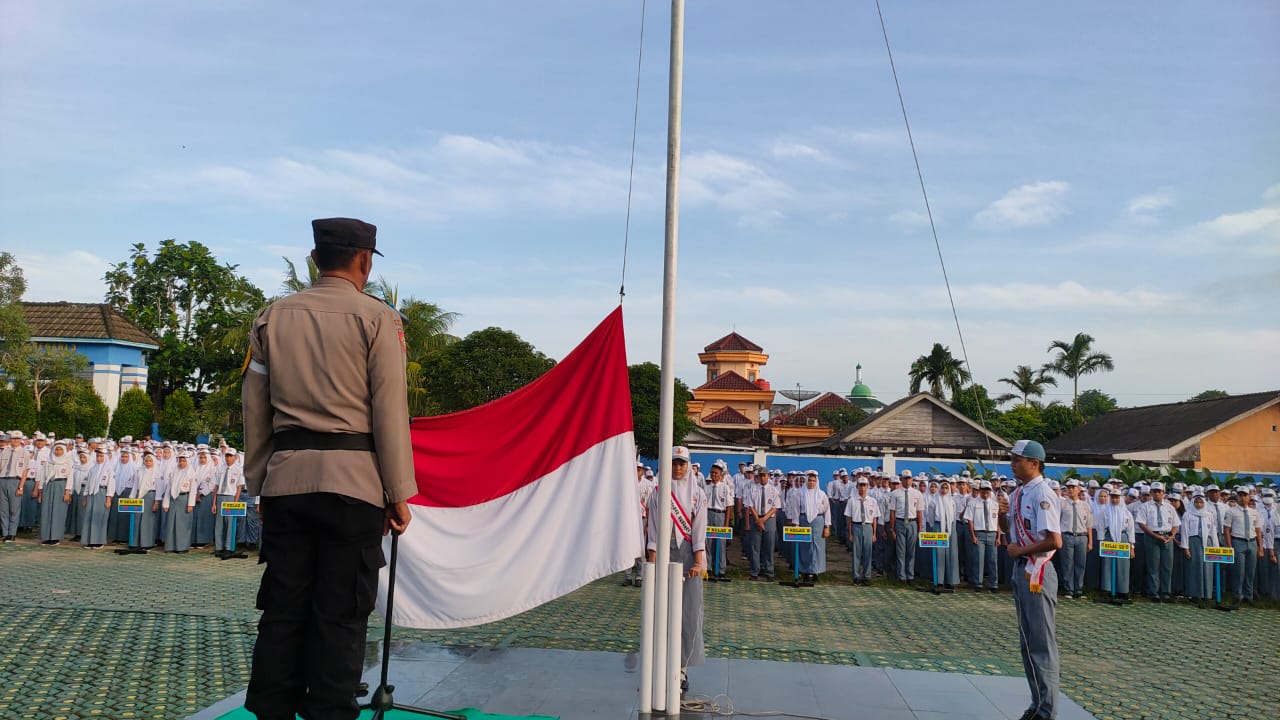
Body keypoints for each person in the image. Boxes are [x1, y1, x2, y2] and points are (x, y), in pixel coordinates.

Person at [243, 217, 417, 720]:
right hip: (354, 488)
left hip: (287, 484)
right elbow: (389, 410)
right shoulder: (379, 319)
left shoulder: (271, 318)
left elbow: (255, 406)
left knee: (283, 609)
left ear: (315, 259)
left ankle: (272, 711)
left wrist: (260, 480)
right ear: (365, 260)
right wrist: (398, 493)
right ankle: (329, 713)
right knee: (341, 614)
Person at [999, 439, 1062, 720]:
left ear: (1034, 463)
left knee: (1041, 642)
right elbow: (1010, 530)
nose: (1012, 465)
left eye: (1017, 460)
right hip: (1021, 569)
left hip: (1037, 570)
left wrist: (1021, 550)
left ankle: (1047, 710)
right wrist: (1002, 515)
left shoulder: (1042, 494)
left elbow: (1053, 540)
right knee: (1027, 641)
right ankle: (1036, 703)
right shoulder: (1018, 493)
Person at [645, 446, 707, 695]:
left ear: (689, 465)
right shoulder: (658, 492)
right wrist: (652, 555)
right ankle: (660, 665)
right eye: (673, 463)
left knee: (688, 613)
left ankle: (681, 669)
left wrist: (699, 560)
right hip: (663, 551)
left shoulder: (698, 494)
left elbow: (700, 529)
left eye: (682, 463)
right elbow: (652, 526)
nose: (678, 468)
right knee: (660, 611)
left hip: (688, 553)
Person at [1136, 481, 1180, 602]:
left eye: (1159, 492)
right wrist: (1155, 535)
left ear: (1163, 493)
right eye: (1154, 492)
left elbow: (1176, 524)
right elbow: (1141, 524)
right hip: (1152, 537)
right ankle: (1153, 592)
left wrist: (1172, 535)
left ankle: (1165, 592)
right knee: (1153, 566)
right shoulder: (1145, 506)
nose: (1156, 494)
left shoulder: (1169, 507)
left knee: (1167, 566)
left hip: (1167, 537)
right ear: (1151, 493)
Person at [785, 470, 830, 583]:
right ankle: (805, 572)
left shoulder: (822, 494)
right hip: (804, 520)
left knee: (817, 547)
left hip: (818, 521)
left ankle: (815, 572)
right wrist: (796, 524)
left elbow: (827, 511)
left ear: (817, 482)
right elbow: (796, 510)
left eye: (813, 481)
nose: (811, 483)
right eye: (809, 480)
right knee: (804, 547)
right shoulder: (799, 493)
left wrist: (827, 526)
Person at [1221, 487, 1263, 608]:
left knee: (1250, 571)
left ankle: (1248, 596)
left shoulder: (1254, 512)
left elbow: (1258, 530)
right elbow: (1227, 530)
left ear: (1249, 497)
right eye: (1240, 495)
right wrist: (1229, 547)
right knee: (1238, 571)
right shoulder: (1231, 511)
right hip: (1238, 541)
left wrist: (1260, 547)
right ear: (1237, 496)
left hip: (1252, 542)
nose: (1242, 497)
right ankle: (1237, 596)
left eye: (1245, 495)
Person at [1180, 490, 1218, 607]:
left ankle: (1207, 594)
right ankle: (1195, 594)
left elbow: (1213, 532)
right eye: (1196, 502)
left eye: (1201, 502)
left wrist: (1216, 548)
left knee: (1207, 567)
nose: (1199, 504)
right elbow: (1185, 532)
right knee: (1194, 567)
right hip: (1193, 542)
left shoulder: (1209, 515)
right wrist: (1185, 547)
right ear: (1192, 503)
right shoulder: (1188, 514)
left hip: (1207, 542)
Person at [1097, 487, 1134, 602]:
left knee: (1123, 565)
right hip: (1108, 538)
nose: (1114, 500)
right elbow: (1101, 527)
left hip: (1122, 538)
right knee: (1107, 564)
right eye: (1112, 497)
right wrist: (1101, 542)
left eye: (1117, 497)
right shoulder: (1104, 511)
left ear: (1120, 498)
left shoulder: (1126, 513)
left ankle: (1122, 591)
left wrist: (1132, 546)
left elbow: (1131, 530)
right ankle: (1107, 590)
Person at [964, 480, 1001, 593]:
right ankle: (978, 583)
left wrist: (998, 537)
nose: (985, 494)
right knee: (978, 560)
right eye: (983, 491)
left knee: (992, 560)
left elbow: (998, 521)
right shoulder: (973, 502)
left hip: (992, 533)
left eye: (987, 491)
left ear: (990, 492)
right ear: (980, 491)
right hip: (979, 533)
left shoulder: (995, 504)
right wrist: (973, 535)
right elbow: (970, 520)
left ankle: (993, 584)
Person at [1058, 479, 1093, 599]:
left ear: (1079, 489)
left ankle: (1078, 589)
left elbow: (1089, 525)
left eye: (1073, 487)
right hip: (1066, 535)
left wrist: (1090, 541)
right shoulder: (1062, 504)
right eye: (1069, 487)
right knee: (1067, 563)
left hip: (1081, 536)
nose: (1071, 489)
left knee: (1080, 564)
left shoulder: (1085, 505)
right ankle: (1069, 589)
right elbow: (1057, 522)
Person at [744, 465, 779, 580]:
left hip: (769, 519)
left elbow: (775, 507)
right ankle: (754, 571)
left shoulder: (773, 490)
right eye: (760, 476)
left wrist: (763, 519)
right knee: (755, 546)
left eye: (764, 475)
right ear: (757, 477)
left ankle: (769, 572)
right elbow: (750, 505)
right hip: (756, 518)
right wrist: (757, 520)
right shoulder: (753, 489)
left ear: (768, 476)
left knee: (768, 546)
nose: (762, 478)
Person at [889, 470, 924, 583]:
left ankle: (910, 575)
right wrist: (892, 528)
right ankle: (901, 576)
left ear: (912, 479)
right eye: (905, 478)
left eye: (909, 478)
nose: (908, 480)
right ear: (901, 480)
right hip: (900, 522)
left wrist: (920, 526)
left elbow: (919, 512)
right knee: (901, 550)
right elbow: (892, 512)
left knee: (911, 551)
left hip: (912, 522)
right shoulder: (895, 493)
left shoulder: (917, 494)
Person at [37, 440, 73, 544]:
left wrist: (67, 492)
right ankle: (46, 536)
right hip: (48, 486)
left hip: (61, 485)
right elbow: (42, 476)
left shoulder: (67, 462)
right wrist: (40, 491)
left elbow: (70, 478)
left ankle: (55, 537)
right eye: (56, 449)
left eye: (60, 449)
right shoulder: (48, 461)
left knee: (58, 512)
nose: (58, 452)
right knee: (46, 511)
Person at [844, 476, 879, 585]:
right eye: (860, 485)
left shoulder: (872, 501)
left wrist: (874, 533)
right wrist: (850, 533)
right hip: (856, 526)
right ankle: (856, 576)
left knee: (868, 552)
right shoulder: (852, 501)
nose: (862, 488)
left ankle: (867, 576)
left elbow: (874, 518)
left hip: (868, 527)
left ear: (868, 487)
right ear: (857, 486)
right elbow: (849, 518)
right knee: (856, 553)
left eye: (864, 485)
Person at [163, 451, 198, 553]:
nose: (181, 463)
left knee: (182, 524)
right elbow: (169, 488)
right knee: (171, 523)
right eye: (180, 460)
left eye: (184, 461)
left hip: (184, 499)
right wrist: (166, 502)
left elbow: (193, 490)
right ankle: (170, 546)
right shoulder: (174, 471)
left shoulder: (191, 472)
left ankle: (182, 547)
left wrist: (190, 504)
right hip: (173, 499)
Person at [705, 459, 734, 581]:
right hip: (708, 513)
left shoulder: (725, 488)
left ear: (721, 475)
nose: (713, 475)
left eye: (716, 473)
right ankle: (708, 567)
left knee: (720, 543)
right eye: (712, 473)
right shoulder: (706, 487)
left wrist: (726, 523)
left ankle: (721, 569)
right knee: (708, 543)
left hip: (720, 515)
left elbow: (729, 506)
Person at [213, 448, 244, 558]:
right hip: (220, 496)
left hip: (231, 497)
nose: (228, 458)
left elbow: (239, 486)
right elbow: (216, 486)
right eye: (227, 456)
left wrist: (236, 500)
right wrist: (214, 503)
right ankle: (219, 547)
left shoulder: (238, 469)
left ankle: (229, 547)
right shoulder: (221, 468)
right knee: (219, 524)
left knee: (230, 523)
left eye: (230, 456)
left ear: (235, 457)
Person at [0, 431, 32, 542]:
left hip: (15, 480)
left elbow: (25, 471)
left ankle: (12, 533)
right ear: (10, 439)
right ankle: (4, 532)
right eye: (13, 438)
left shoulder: (25, 452)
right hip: (3, 480)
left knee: (14, 509)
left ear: (21, 440)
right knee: (3, 509)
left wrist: (21, 487)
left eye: (17, 439)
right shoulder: (5, 451)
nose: (15, 441)